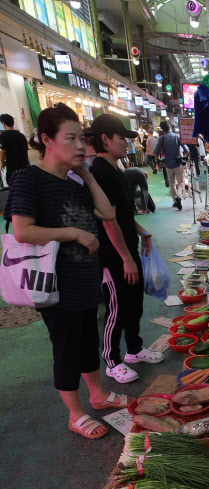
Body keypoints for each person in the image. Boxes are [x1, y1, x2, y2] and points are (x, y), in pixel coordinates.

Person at [4, 103, 122, 439]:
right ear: (47, 140)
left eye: (81, 139)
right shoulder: (29, 178)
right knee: (67, 346)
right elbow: (22, 231)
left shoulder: (76, 182)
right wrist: (72, 233)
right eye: (70, 139)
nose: (80, 146)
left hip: (85, 280)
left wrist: (86, 174)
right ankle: (75, 413)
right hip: (54, 286)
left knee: (87, 341)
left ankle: (97, 395)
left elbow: (107, 212)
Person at [86, 114, 163, 384]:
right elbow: (109, 223)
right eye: (122, 138)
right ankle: (112, 361)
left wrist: (143, 232)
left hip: (127, 250)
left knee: (134, 303)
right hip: (112, 255)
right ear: (105, 139)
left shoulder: (115, 169)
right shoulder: (99, 173)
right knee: (116, 308)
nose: (127, 144)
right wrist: (126, 259)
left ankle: (134, 350)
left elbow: (122, 215)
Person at [155, 120, 184, 210]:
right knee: (180, 182)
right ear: (170, 127)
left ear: (163, 129)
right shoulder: (177, 136)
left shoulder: (161, 138)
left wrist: (157, 160)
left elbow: (156, 150)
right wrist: (188, 154)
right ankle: (179, 196)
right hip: (178, 163)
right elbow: (185, 147)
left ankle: (175, 201)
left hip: (167, 163)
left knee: (172, 183)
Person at [0, 113, 29, 184]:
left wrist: (1, 162)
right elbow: (26, 150)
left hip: (12, 168)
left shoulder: (4, 135)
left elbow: (3, 151)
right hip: (25, 167)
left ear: (3, 123)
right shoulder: (21, 135)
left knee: (14, 187)